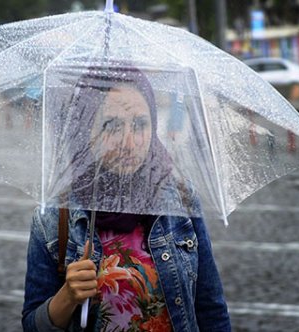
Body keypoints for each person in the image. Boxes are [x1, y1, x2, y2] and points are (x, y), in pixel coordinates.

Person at [22, 64, 231, 332]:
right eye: (112, 125)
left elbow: (210, 309)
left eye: (140, 124)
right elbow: (31, 324)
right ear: (86, 129)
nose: (129, 142)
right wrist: (66, 298)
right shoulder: (55, 216)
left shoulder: (179, 198)